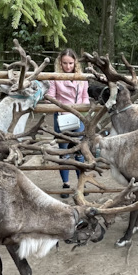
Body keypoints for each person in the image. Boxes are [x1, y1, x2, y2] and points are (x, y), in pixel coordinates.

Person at [46, 48, 89, 197]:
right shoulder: (55, 78)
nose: (68, 66)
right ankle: (65, 184)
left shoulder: (82, 78)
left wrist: (80, 108)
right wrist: (63, 108)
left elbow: (85, 97)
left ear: (75, 62)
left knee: (79, 151)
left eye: (70, 63)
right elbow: (50, 96)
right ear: (60, 63)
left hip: (78, 118)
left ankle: (81, 183)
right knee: (63, 152)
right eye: (65, 63)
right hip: (62, 118)